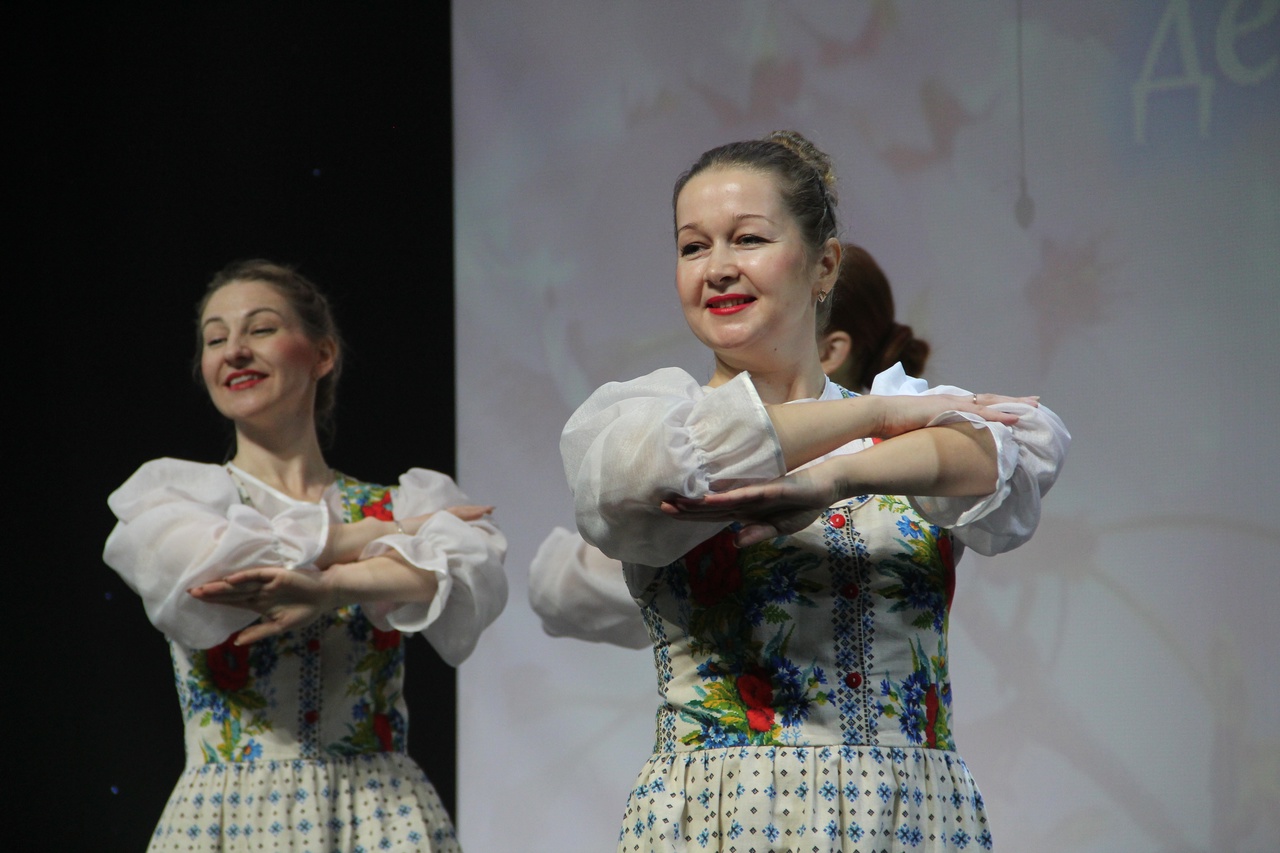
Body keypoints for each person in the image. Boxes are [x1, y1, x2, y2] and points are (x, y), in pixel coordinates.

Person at [560, 132, 1069, 851]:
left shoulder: (907, 423)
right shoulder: (654, 424)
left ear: (823, 264)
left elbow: (1016, 446)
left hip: (908, 818)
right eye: (693, 246)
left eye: (748, 239)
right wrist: (872, 416)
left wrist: (836, 474)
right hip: (725, 819)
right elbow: (655, 474)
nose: (718, 268)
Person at [103, 260, 507, 852]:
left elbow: (469, 570)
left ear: (322, 354)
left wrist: (331, 589)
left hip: (378, 813)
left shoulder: (401, 501)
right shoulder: (178, 502)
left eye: (261, 329)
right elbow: (224, 570)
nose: (235, 351)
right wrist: (373, 538)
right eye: (215, 339)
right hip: (231, 815)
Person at [530, 242, 930, 649]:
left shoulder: (923, 434)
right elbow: (561, 592)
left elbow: (562, 592)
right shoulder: (690, 450)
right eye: (694, 246)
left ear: (830, 351)